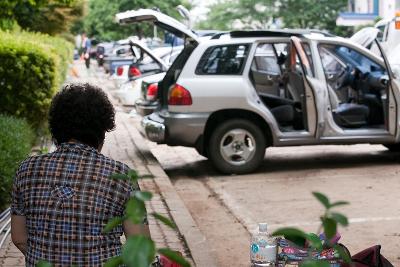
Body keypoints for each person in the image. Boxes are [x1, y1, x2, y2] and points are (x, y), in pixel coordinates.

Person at [11, 83, 150, 266]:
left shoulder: (26, 170)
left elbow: (19, 237)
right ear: (102, 131)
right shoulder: (121, 176)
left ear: (56, 129)